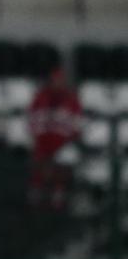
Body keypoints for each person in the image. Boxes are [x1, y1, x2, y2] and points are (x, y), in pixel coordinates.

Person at [28, 66, 81, 212]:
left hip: (63, 142)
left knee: (65, 160)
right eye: (55, 81)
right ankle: (36, 194)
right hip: (43, 141)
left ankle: (59, 195)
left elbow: (76, 125)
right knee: (40, 160)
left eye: (60, 81)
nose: (57, 83)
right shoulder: (40, 97)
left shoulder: (71, 100)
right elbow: (33, 121)